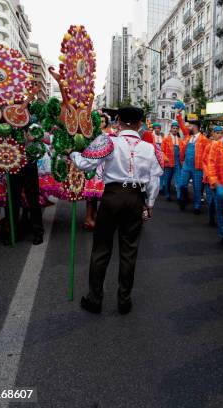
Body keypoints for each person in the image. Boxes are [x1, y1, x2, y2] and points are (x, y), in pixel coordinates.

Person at [70, 107, 164, 315]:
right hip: (135, 199)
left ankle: (95, 299)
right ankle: (124, 300)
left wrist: (72, 153)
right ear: (140, 125)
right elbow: (155, 180)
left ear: (118, 122)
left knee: (101, 249)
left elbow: (85, 164)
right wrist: (149, 205)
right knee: (129, 250)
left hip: (112, 197)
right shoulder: (150, 148)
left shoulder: (108, 141)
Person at [6, 127, 45, 245]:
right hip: (13, 165)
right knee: (12, 201)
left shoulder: (31, 124)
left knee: (33, 199)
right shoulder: (7, 125)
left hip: (29, 165)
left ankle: (38, 233)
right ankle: (12, 233)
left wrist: (34, 138)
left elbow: (41, 140)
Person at [83, 112, 113, 230]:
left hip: (103, 168)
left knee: (97, 195)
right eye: (100, 121)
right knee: (91, 196)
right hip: (92, 167)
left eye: (104, 121)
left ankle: (93, 217)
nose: (102, 123)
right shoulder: (90, 134)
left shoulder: (109, 135)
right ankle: (88, 218)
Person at [178, 115, 208, 214]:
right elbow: (182, 126)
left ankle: (197, 206)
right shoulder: (188, 137)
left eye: (190, 125)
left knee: (197, 188)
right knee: (182, 184)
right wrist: (179, 115)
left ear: (195, 126)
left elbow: (207, 156)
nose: (188, 127)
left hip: (198, 167)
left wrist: (205, 170)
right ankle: (184, 199)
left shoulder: (204, 140)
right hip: (186, 165)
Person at [202, 126, 223, 226]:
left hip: (221, 180)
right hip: (210, 179)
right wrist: (208, 175)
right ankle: (211, 218)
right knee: (211, 201)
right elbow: (205, 162)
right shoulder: (208, 146)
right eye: (217, 133)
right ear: (213, 134)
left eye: (220, 133)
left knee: (220, 202)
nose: (219, 135)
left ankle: (220, 222)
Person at [160, 120, 183, 201]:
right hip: (168, 162)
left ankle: (179, 196)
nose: (175, 130)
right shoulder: (166, 139)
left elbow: (182, 152)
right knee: (167, 180)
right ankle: (167, 195)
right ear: (171, 129)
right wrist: (166, 159)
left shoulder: (180, 140)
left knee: (179, 179)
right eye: (174, 128)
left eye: (177, 128)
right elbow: (161, 151)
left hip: (177, 162)